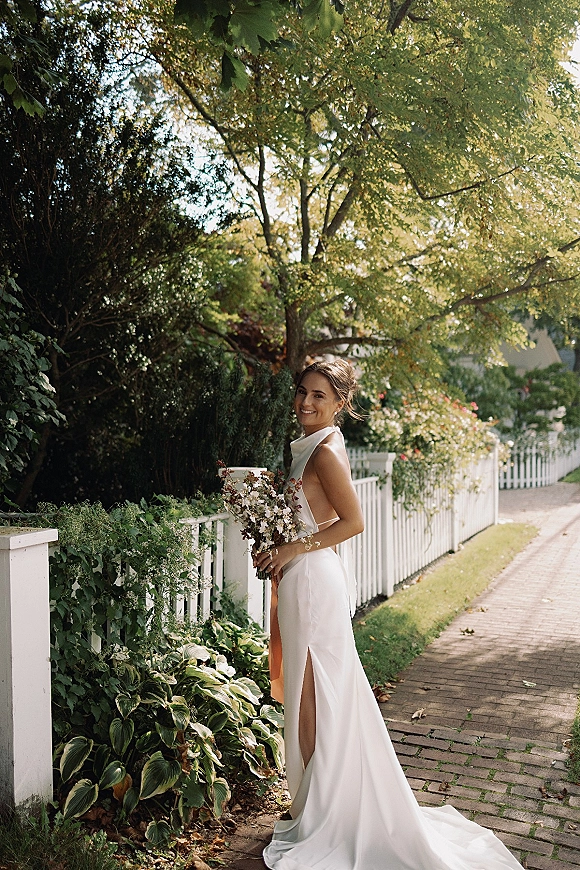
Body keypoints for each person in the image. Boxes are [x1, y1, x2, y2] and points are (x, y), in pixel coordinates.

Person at [255, 359, 524, 870]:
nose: (306, 403)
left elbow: (352, 521)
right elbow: (309, 517)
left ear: (340, 403)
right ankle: (315, 804)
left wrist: (292, 551)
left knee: (319, 696)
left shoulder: (327, 450)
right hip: (302, 578)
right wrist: (273, 546)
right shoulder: (310, 446)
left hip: (314, 583)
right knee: (308, 695)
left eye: (319, 396)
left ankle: (328, 813)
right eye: (302, 393)